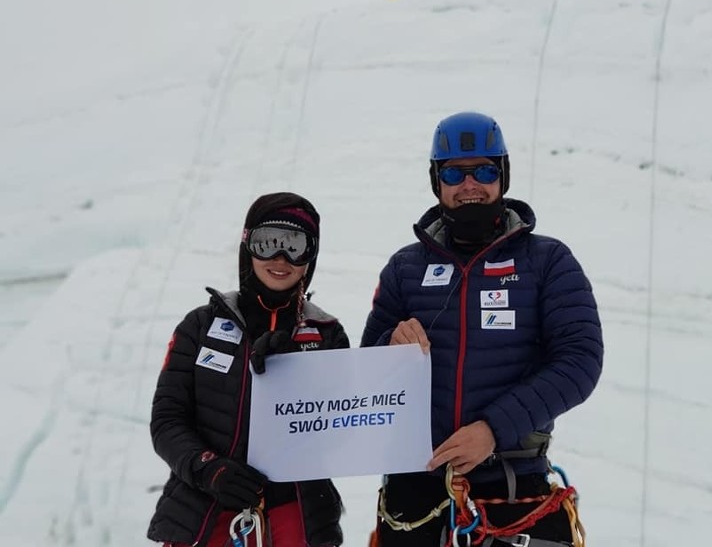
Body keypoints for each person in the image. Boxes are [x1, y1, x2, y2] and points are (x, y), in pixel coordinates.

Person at [362, 112, 604, 547]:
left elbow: (579, 361)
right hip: (415, 492)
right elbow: (367, 369)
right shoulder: (405, 268)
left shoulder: (547, 261)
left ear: (503, 176)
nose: (469, 185)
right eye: (454, 172)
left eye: (484, 171)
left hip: (514, 485)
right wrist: (388, 344)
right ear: (436, 181)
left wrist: (492, 431)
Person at [147, 192, 348, 547]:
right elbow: (167, 419)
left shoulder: (328, 335)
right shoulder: (200, 326)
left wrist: (297, 372)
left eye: (295, 246)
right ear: (247, 245)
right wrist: (208, 468)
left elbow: (342, 430)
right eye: (267, 243)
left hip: (298, 514)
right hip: (206, 509)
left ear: (310, 256)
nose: (280, 259)